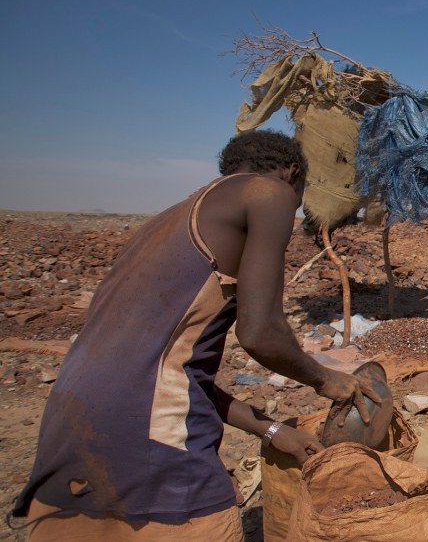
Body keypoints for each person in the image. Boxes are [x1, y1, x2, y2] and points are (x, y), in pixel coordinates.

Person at [13, 130, 382, 541]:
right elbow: (260, 333)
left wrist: (273, 431)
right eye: (300, 195)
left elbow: (168, 373)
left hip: (68, 432)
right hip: (151, 444)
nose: (295, 208)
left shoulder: (167, 220)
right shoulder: (267, 192)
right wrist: (327, 379)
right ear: (291, 172)